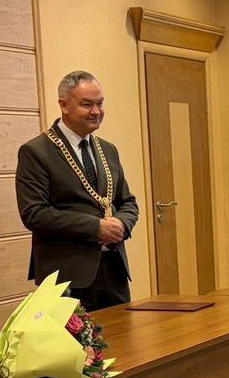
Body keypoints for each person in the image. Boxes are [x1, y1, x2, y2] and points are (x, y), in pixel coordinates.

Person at [16, 71, 140, 311]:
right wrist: (95, 227)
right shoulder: (36, 151)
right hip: (67, 276)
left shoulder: (108, 149)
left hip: (114, 271)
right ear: (63, 105)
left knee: (123, 336)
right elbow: (34, 213)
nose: (96, 111)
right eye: (87, 104)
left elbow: (127, 202)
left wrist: (122, 224)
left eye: (100, 103)